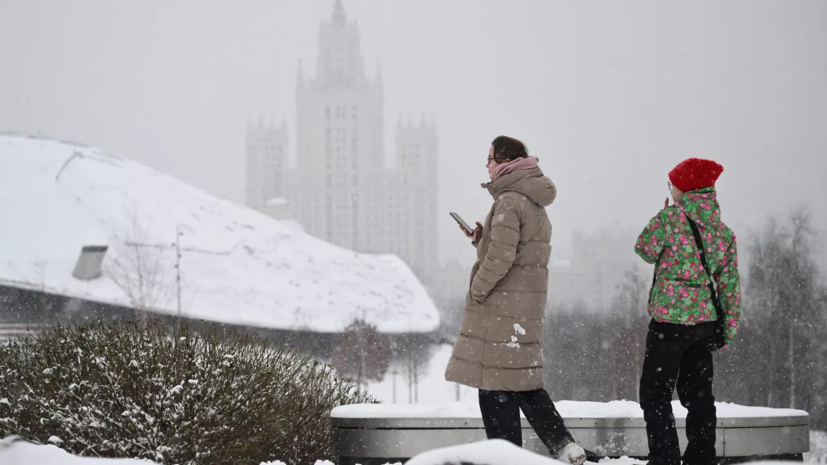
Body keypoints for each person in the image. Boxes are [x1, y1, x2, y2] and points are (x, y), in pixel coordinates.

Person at [444, 136, 586, 464]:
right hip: (523, 308)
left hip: (501, 308)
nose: (487, 164)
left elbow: (501, 258)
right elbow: (518, 249)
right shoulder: (531, 198)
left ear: (505, 162)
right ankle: (563, 444)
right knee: (521, 380)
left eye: (491, 158)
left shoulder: (509, 200)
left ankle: (506, 458)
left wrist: (476, 290)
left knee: (493, 386)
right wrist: (482, 238)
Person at [634, 158, 742, 465]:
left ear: (686, 188)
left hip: (667, 324)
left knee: (655, 394)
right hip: (703, 327)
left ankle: (665, 458)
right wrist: (728, 329)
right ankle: (701, 457)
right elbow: (729, 284)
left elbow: (644, 249)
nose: (672, 189)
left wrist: (663, 215)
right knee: (699, 397)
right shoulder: (723, 232)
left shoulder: (670, 219)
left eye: (673, 185)